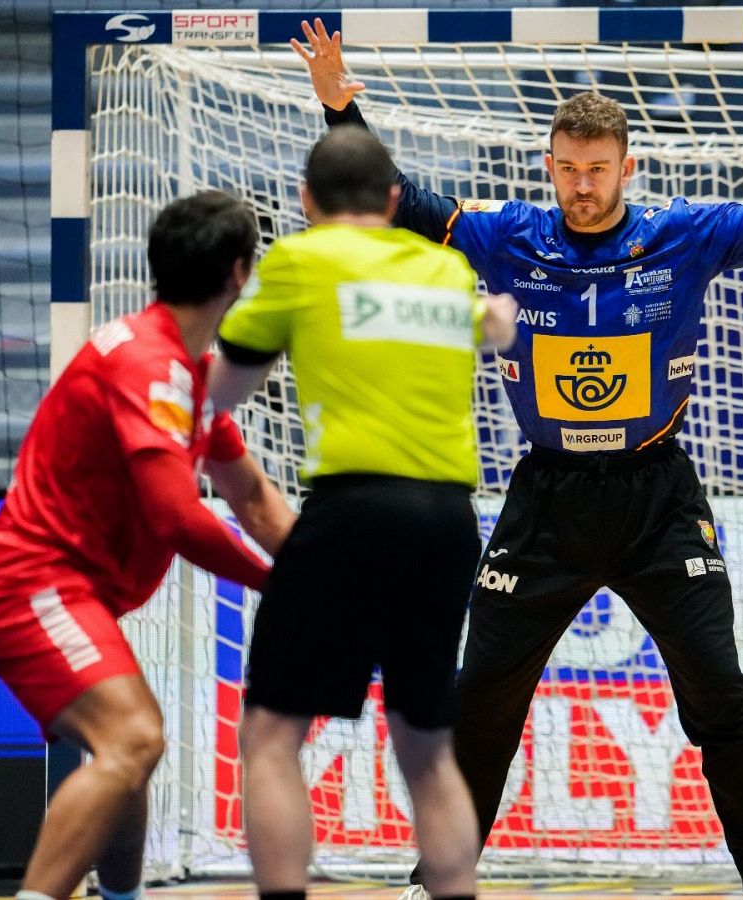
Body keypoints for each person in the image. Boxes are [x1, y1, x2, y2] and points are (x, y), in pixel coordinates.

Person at [288, 18, 743, 900]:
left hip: (657, 499)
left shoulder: (683, 237)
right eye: (567, 168)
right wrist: (340, 107)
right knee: (480, 703)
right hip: (546, 502)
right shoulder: (508, 237)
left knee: (718, 693)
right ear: (548, 166)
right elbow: (395, 202)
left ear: (629, 168)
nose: (581, 186)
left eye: (597, 170)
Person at [0, 191, 295, 900]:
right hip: (27, 582)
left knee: (132, 745)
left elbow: (254, 500)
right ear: (239, 274)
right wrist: (282, 585)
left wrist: (329, 570)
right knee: (133, 738)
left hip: (68, 589)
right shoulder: (151, 367)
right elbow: (175, 517)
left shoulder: (187, 377)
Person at [208, 125, 519, 900]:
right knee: (427, 747)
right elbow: (493, 328)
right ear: (390, 199)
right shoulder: (447, 269)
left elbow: (223, 393)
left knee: (272, 735)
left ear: (307, 202)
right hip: (450, 520)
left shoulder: (299, 257)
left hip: (351, 509)